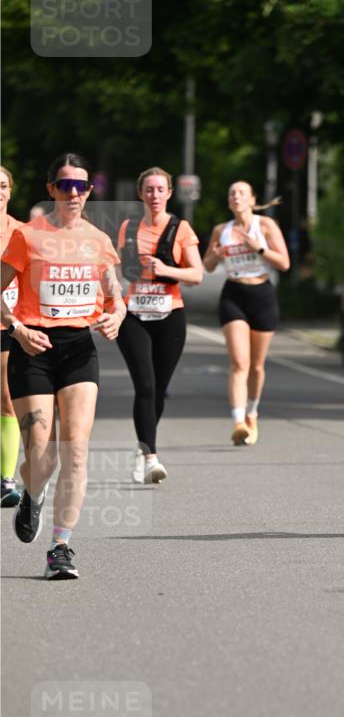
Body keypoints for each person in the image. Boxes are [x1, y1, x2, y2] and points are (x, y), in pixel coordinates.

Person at [0, 152, 126, 579]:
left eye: (82, 186)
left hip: (77, 348)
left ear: (90, 191)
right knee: (41, 452)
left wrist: (116, 315)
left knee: (75, 450)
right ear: (52, 189)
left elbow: (116, 297)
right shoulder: (27, 236)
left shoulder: (98, 240)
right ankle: (32, 493)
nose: (75, 193)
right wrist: (16, 329)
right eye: (66, 185)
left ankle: (60, 547)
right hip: (32, 346)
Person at [116, 167, 203, 483]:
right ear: (141, 194)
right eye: (149, 189)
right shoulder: (128, 227)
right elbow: (115, 268)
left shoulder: (180, 228)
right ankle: (151, 456)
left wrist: (167, 269)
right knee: (145, 385)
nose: (154, 195)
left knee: (159, 390)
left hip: (170, 315)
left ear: (168, 193)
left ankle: (142, 449)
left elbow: (196, 274)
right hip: (134, 315)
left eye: (160, 189)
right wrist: (110, 301)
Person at [203, 181, 289, 445]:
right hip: (234, 295)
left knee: (257, 366)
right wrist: (216, 255)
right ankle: (238, 421)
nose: (236, 196)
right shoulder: (222, 230)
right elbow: (207, 265)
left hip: (262, 294)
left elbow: (284, 263)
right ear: (229, 202)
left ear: (252, 199)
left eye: (241, 193)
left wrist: (259, 248)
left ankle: (252, 413)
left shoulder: (265, 226)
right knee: (240, 362)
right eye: (232, 194)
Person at [0, 166, 24, 507]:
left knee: (6, 396)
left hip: (8, 321)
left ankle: (6, 480)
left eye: (3, 185)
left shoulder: (22, 231)